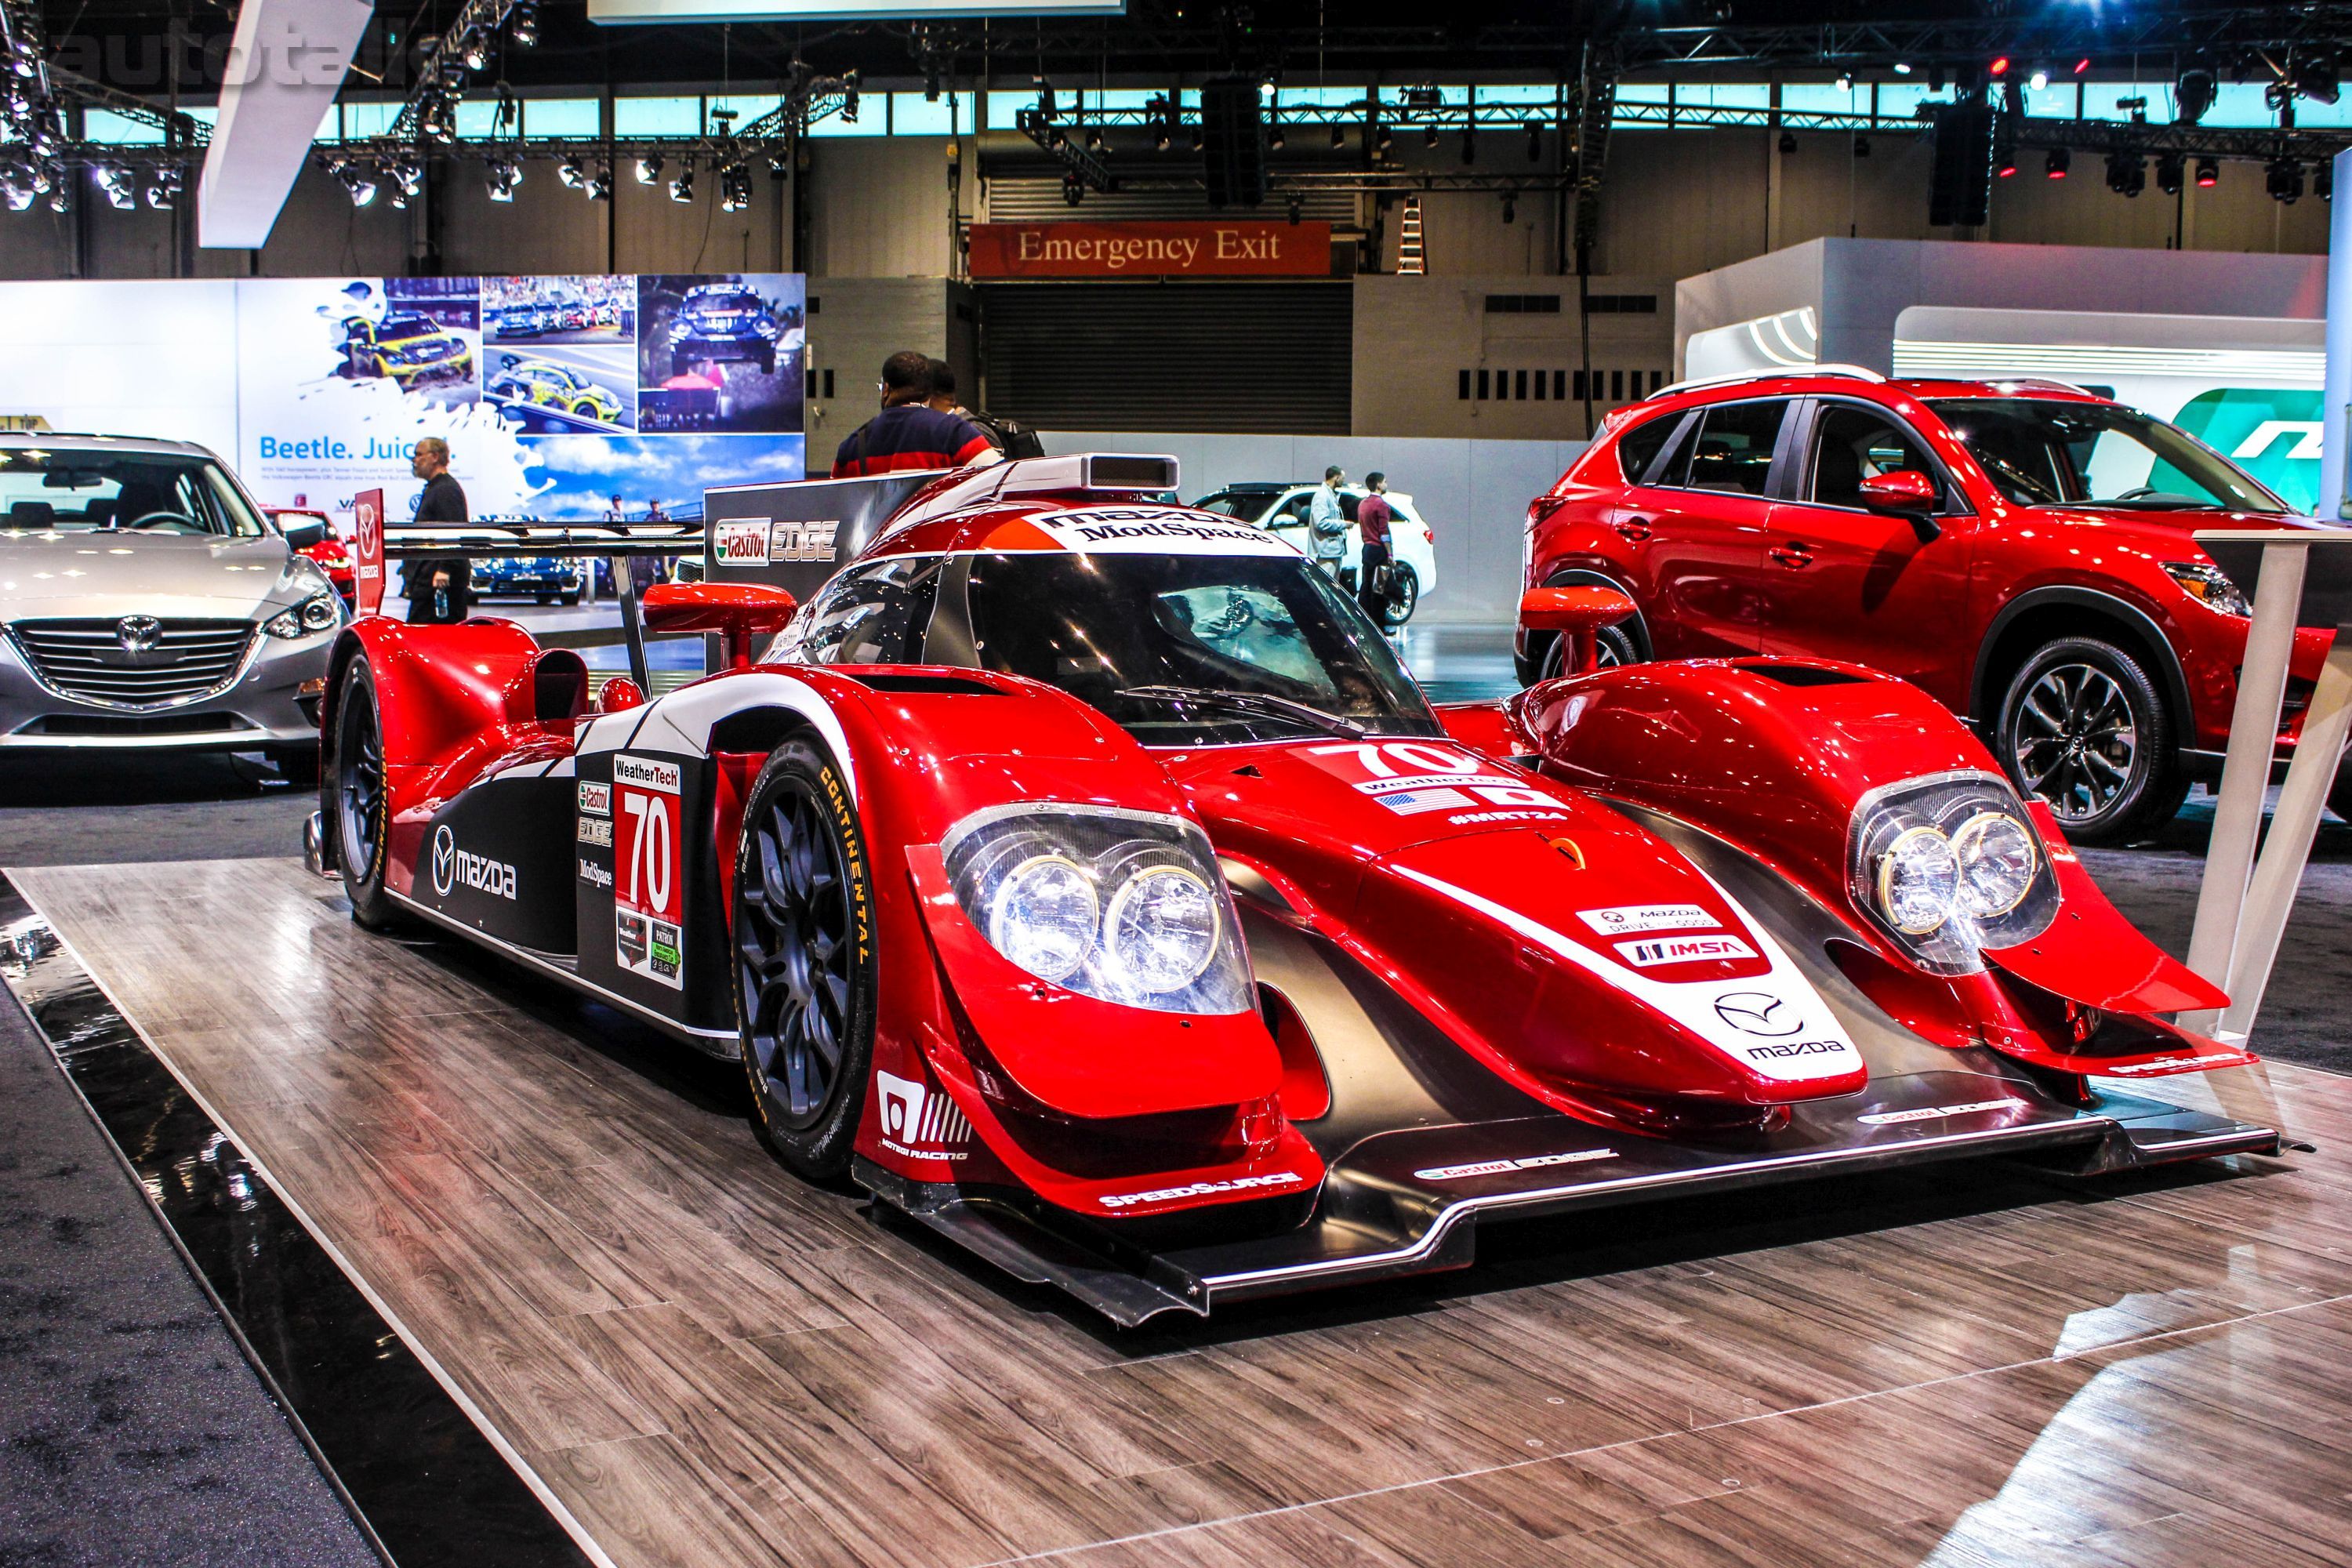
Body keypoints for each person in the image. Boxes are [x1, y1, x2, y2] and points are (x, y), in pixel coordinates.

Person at [832, 350, 1000, 477]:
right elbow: (999, 477)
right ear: (928, 395)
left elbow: (836, 502)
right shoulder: (954, 432)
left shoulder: (854, 444)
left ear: (886, 389)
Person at [401, 437, 471, 625]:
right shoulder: (435, 488)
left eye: (419, 455)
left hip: (439, 584)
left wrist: (445, 569)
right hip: (428, 580)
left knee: (428, 636)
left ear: (434, 457)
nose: (414, 460)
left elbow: (455, 530)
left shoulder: (445, 490)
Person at [1356, 471, 1396, 626]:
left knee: (1366, 586)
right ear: (1379, 485)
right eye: (1385, 482)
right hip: (1379, 551)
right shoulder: (1382, 506)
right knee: (1379, 589)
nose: (1386, 484)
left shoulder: (1362, 504)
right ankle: (1378, 624)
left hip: (1367, 549)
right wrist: (1390, 554)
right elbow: (1384, 532)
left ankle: (1363, 622)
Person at [1308, 465, 1348, 578]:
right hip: (1326, 551)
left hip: (1333, 551)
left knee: (1333, 587)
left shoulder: (1331, 495)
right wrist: (1343, 524)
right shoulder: (1322, 496)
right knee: (1326, 586)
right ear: (1336, 478)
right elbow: (1321, 523)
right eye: (1342, 478)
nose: (1343, 481)